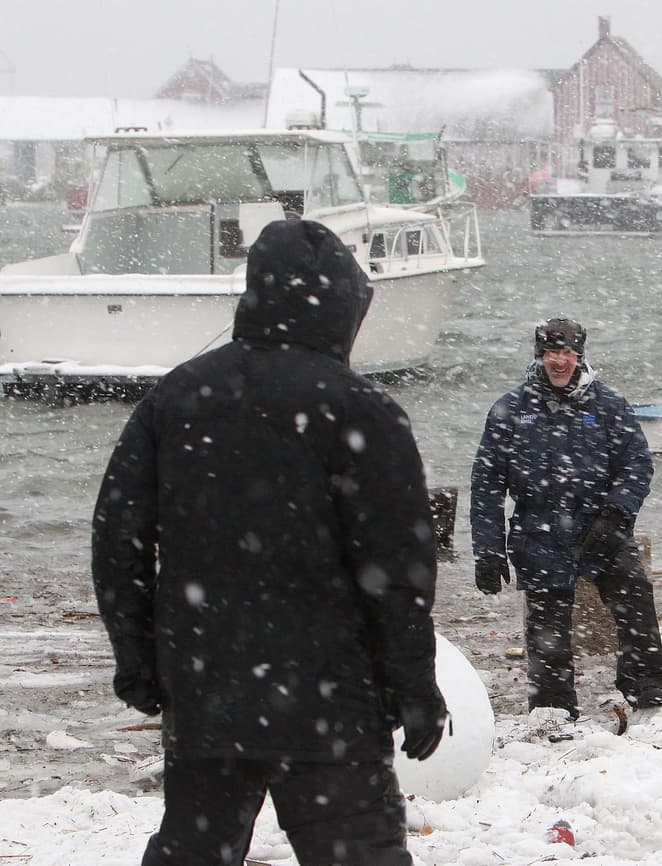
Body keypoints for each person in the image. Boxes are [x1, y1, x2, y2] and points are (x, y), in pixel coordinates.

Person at [92, 219, 447, 866]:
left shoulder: (175, 398)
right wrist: (415, 685)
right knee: (358, 854)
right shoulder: (362, 409)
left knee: (194, 850)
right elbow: (398, 570)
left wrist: (139, 656)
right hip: (331, 702)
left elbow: (119, 541)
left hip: (207, 691)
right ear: (344, 304)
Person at [470, 317, 662, 719]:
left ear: (579, 355)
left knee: (635, 601)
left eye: (567, 353)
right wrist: (487, 551)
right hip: (538, 533)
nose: (559, 361)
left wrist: (616, 513)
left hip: (601, 528)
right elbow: (487, 483)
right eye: (550, 353)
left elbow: (637, 464)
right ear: (539, 355)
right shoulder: (511, 409)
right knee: (547, 631)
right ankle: (552, 710)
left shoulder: (608, 404)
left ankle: (646, 690)